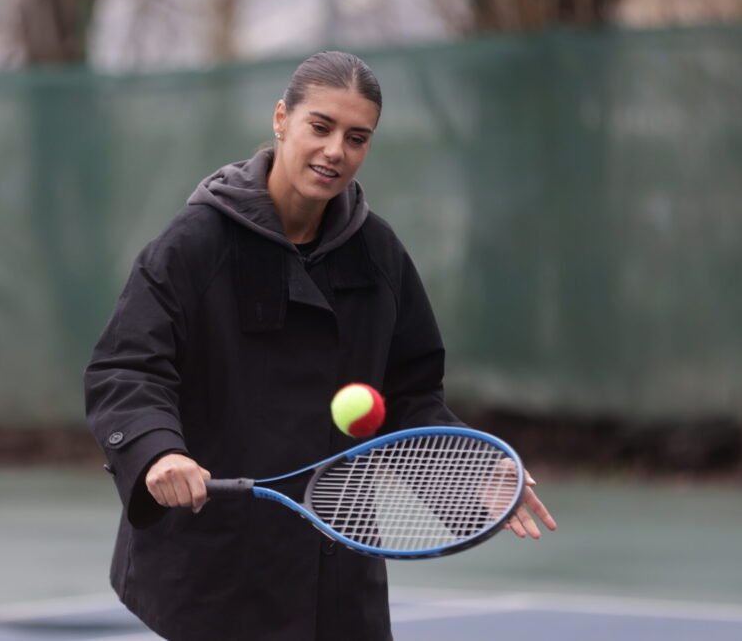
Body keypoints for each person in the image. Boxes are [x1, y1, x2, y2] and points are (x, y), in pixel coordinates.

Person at [84, 51, 556, 641]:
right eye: (321, 127)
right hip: (216, 565)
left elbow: (410, 395)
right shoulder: (195, 244)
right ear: (282, 119)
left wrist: (467, 473)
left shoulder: (379, 255)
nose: (336, 150)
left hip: (338, 569)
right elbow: (126, 368)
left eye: (357, 138)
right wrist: (158, 453)